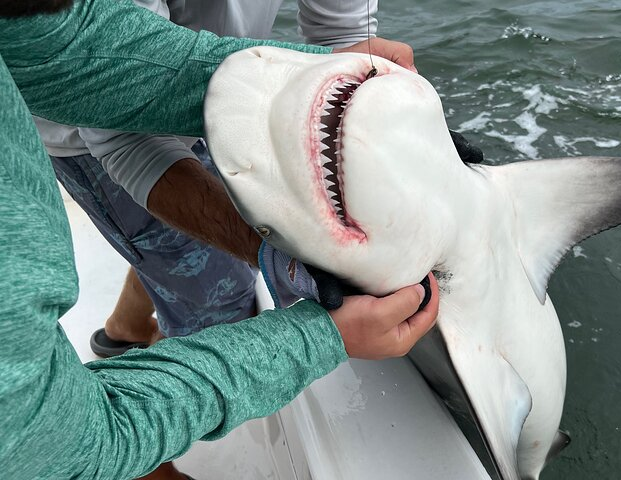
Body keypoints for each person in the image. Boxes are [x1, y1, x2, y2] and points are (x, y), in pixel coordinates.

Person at [0, 1, 438, 479]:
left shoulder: (28, 19)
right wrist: (321, 334)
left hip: (186, 74)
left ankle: (124, 331)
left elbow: (72, 45)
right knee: (219, 300)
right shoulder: (17, 244)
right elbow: (67, 449)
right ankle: (155, 472)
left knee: (179, 254)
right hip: (90, 144)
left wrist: (330, 86)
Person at [39, 0, 390, 359]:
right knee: (224, 314)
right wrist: (272, 257)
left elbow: (343, 37)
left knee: (176, 241)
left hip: (222, 88)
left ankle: (125, 328)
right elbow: (123, 138)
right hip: (88, 129)